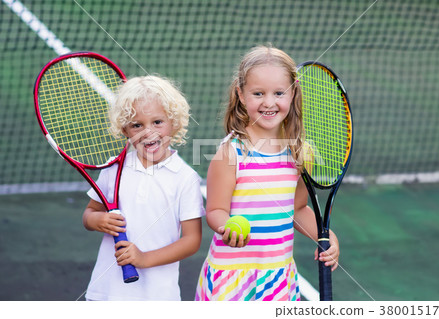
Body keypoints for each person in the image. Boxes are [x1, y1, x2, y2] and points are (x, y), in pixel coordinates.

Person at [195, 45, 339, 301]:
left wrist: (324, 236)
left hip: (278, 278)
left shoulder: (301, 153)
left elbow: (297, 209)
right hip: (231, 276)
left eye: (279, 93)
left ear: (293, 93)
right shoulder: (230, 153)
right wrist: (226, 225)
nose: (269, 102)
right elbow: (215, 210)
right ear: (241, 94)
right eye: (258, 93)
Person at [82, 75, 205, 301]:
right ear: (125, 130)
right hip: (106, 294)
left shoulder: (185, 178)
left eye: (157, 122)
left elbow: (191, 240)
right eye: (137, 125)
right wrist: (97, 221)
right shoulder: (113, 169)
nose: (148, 132)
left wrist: (144, 258)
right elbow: (90, 214)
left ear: (174, 122)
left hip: (158, 296)